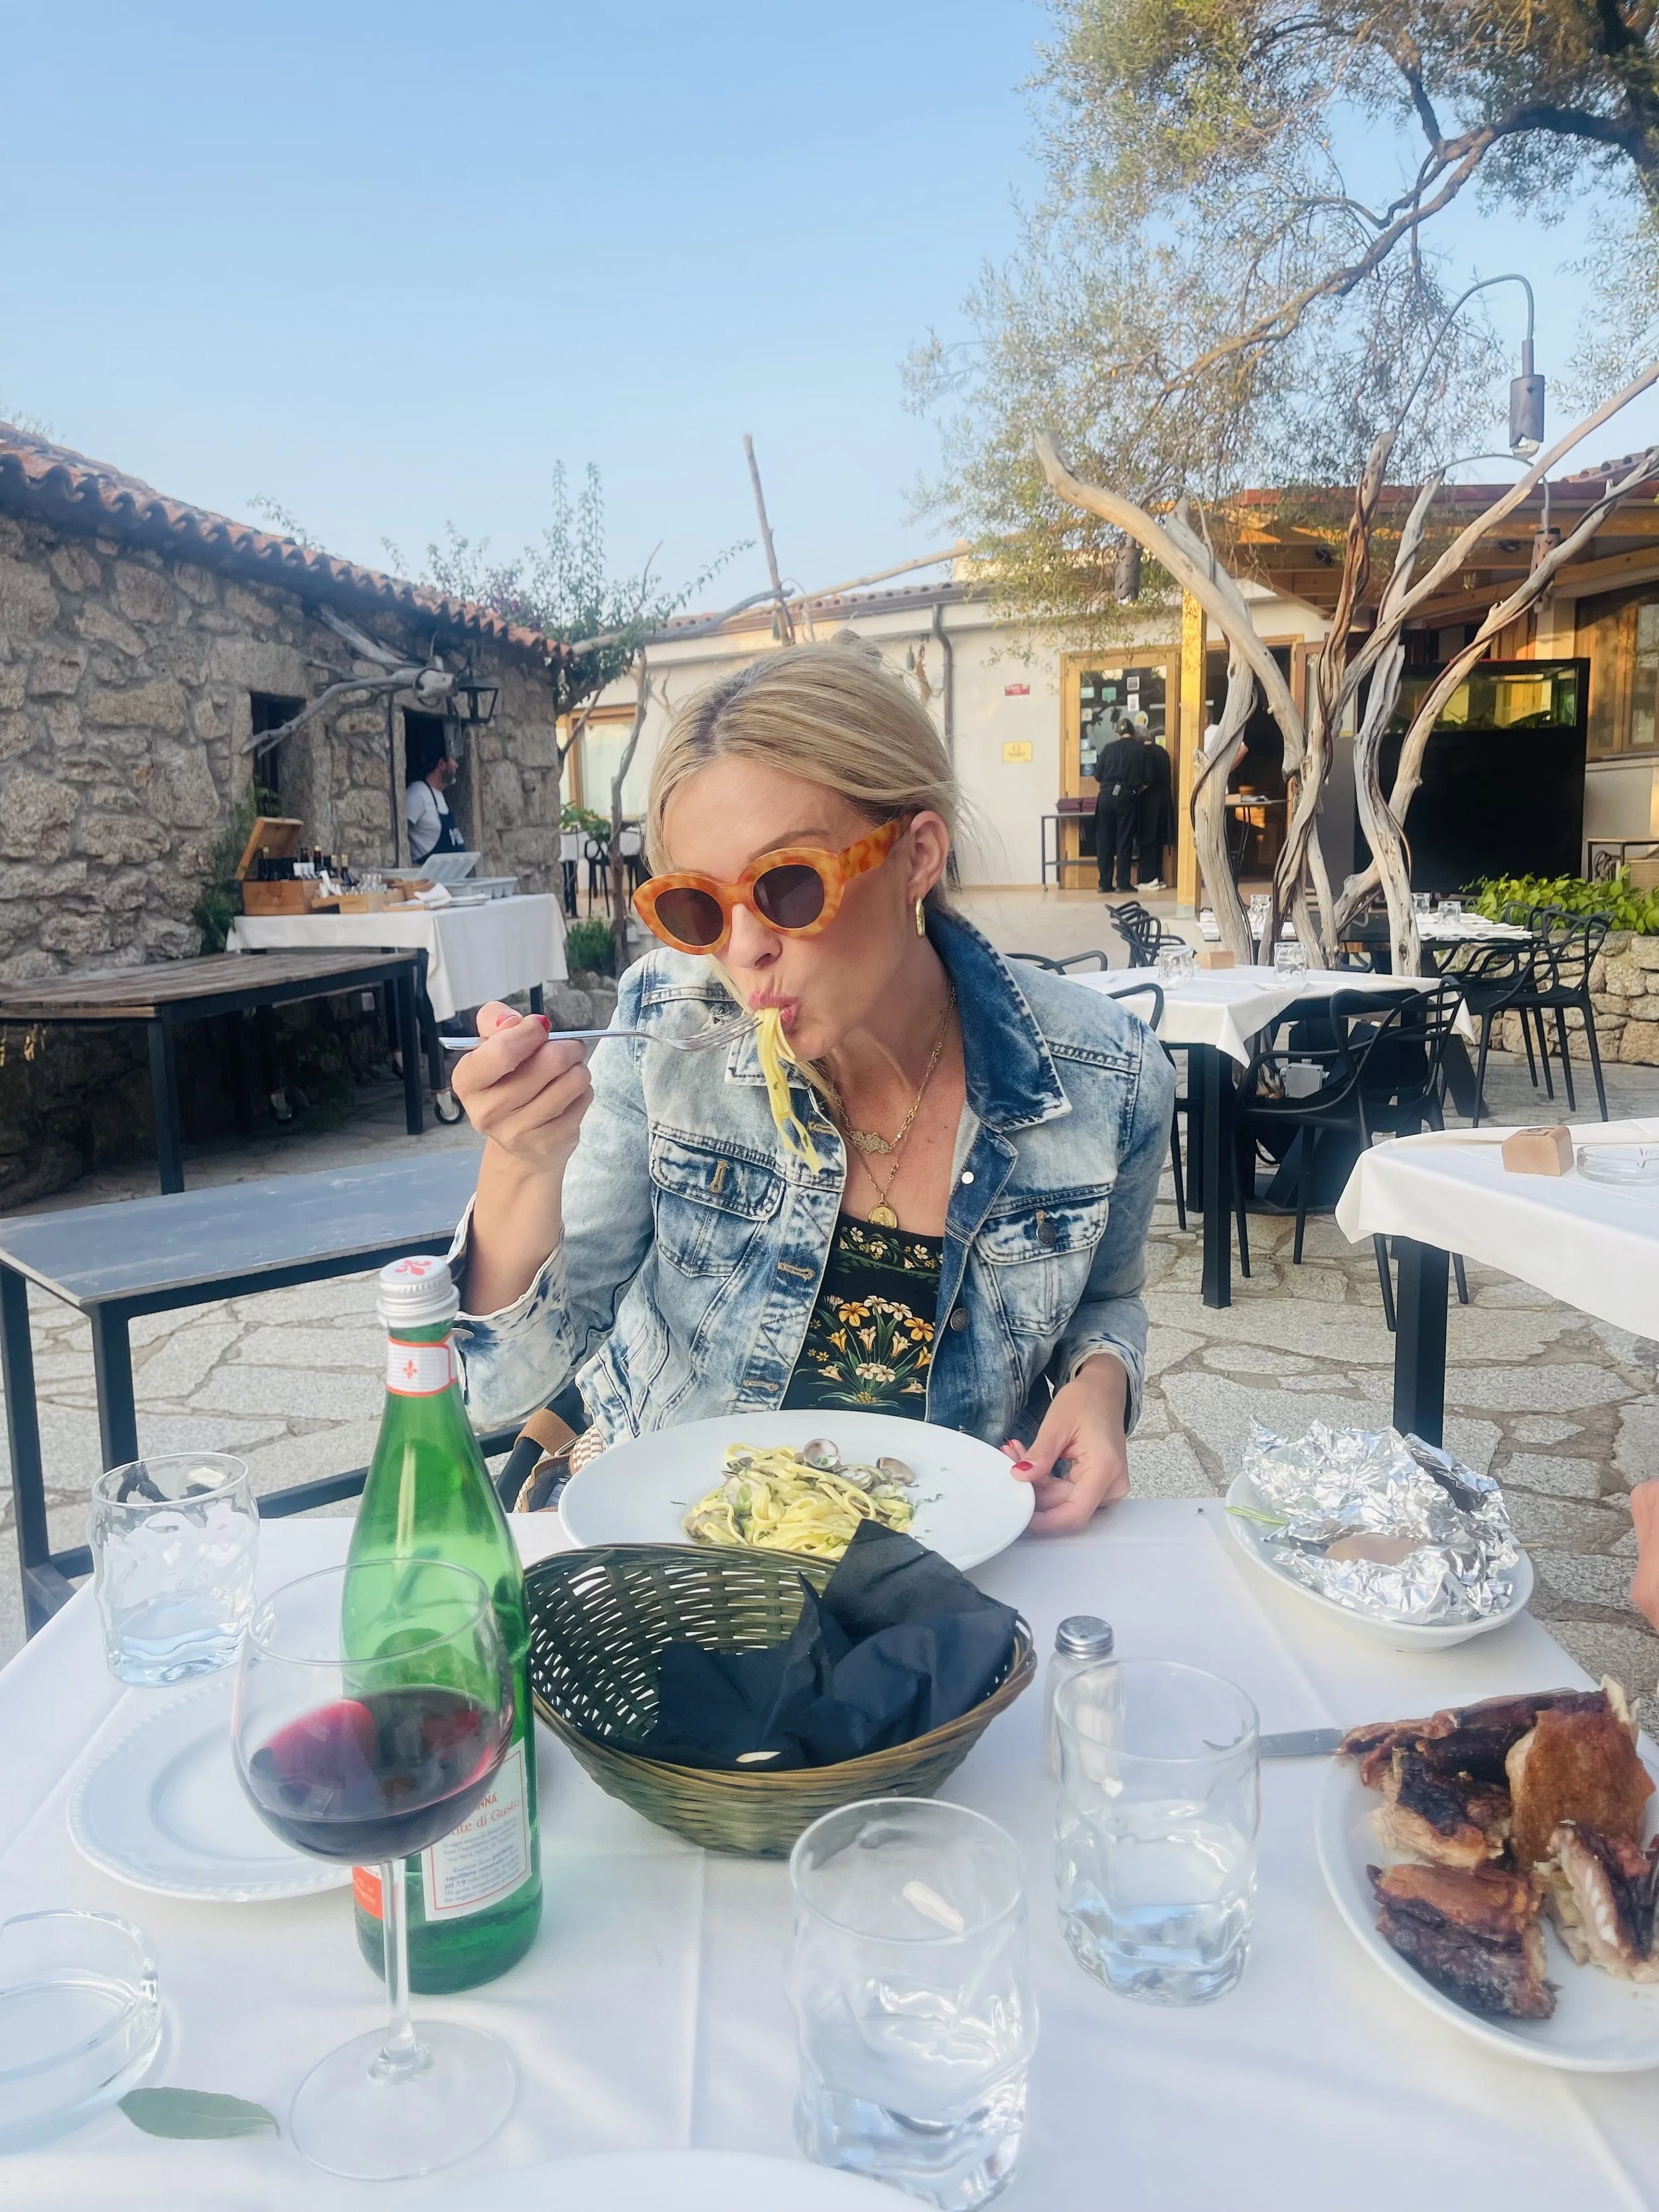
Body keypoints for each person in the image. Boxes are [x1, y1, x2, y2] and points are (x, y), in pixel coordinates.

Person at [447, 640, 1174, 1536]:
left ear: (916, 855)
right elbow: (498, 1391)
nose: (744, 948)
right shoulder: (669, 1026)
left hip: (941, 1547)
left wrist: (1103, 1383)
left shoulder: (1109, 1076)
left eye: (787, 887)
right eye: (698, 908)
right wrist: (520, 1162)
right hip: (680, 1535)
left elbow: (1106, 1299)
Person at [1092, 713, 1147, 895]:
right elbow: (1146, 778)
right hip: (1126, 796)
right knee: (1124, 840)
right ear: (1133, 733)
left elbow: (1098, 775)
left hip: (1106, 796)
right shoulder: (1140, 750)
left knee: (1104, 841)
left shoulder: (1108, 748)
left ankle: (1104, 883)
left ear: (1117, 734)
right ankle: (1123, 883)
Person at [405, 726, 468, 865]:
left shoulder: (440, 796)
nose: (457, 765)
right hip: (432, 877)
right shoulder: (418, 793)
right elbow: (401, 831)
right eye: (453, 760)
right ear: (442, 764)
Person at [1134, 717, 1175, 891]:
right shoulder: (1162, 752)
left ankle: (1149, 879)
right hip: (1165, 801)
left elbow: (1148, 779)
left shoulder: (1144, 753)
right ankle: (1159, 877)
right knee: (1158, 841)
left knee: (1148, 840)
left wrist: (1136, 791)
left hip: (1149, 803)